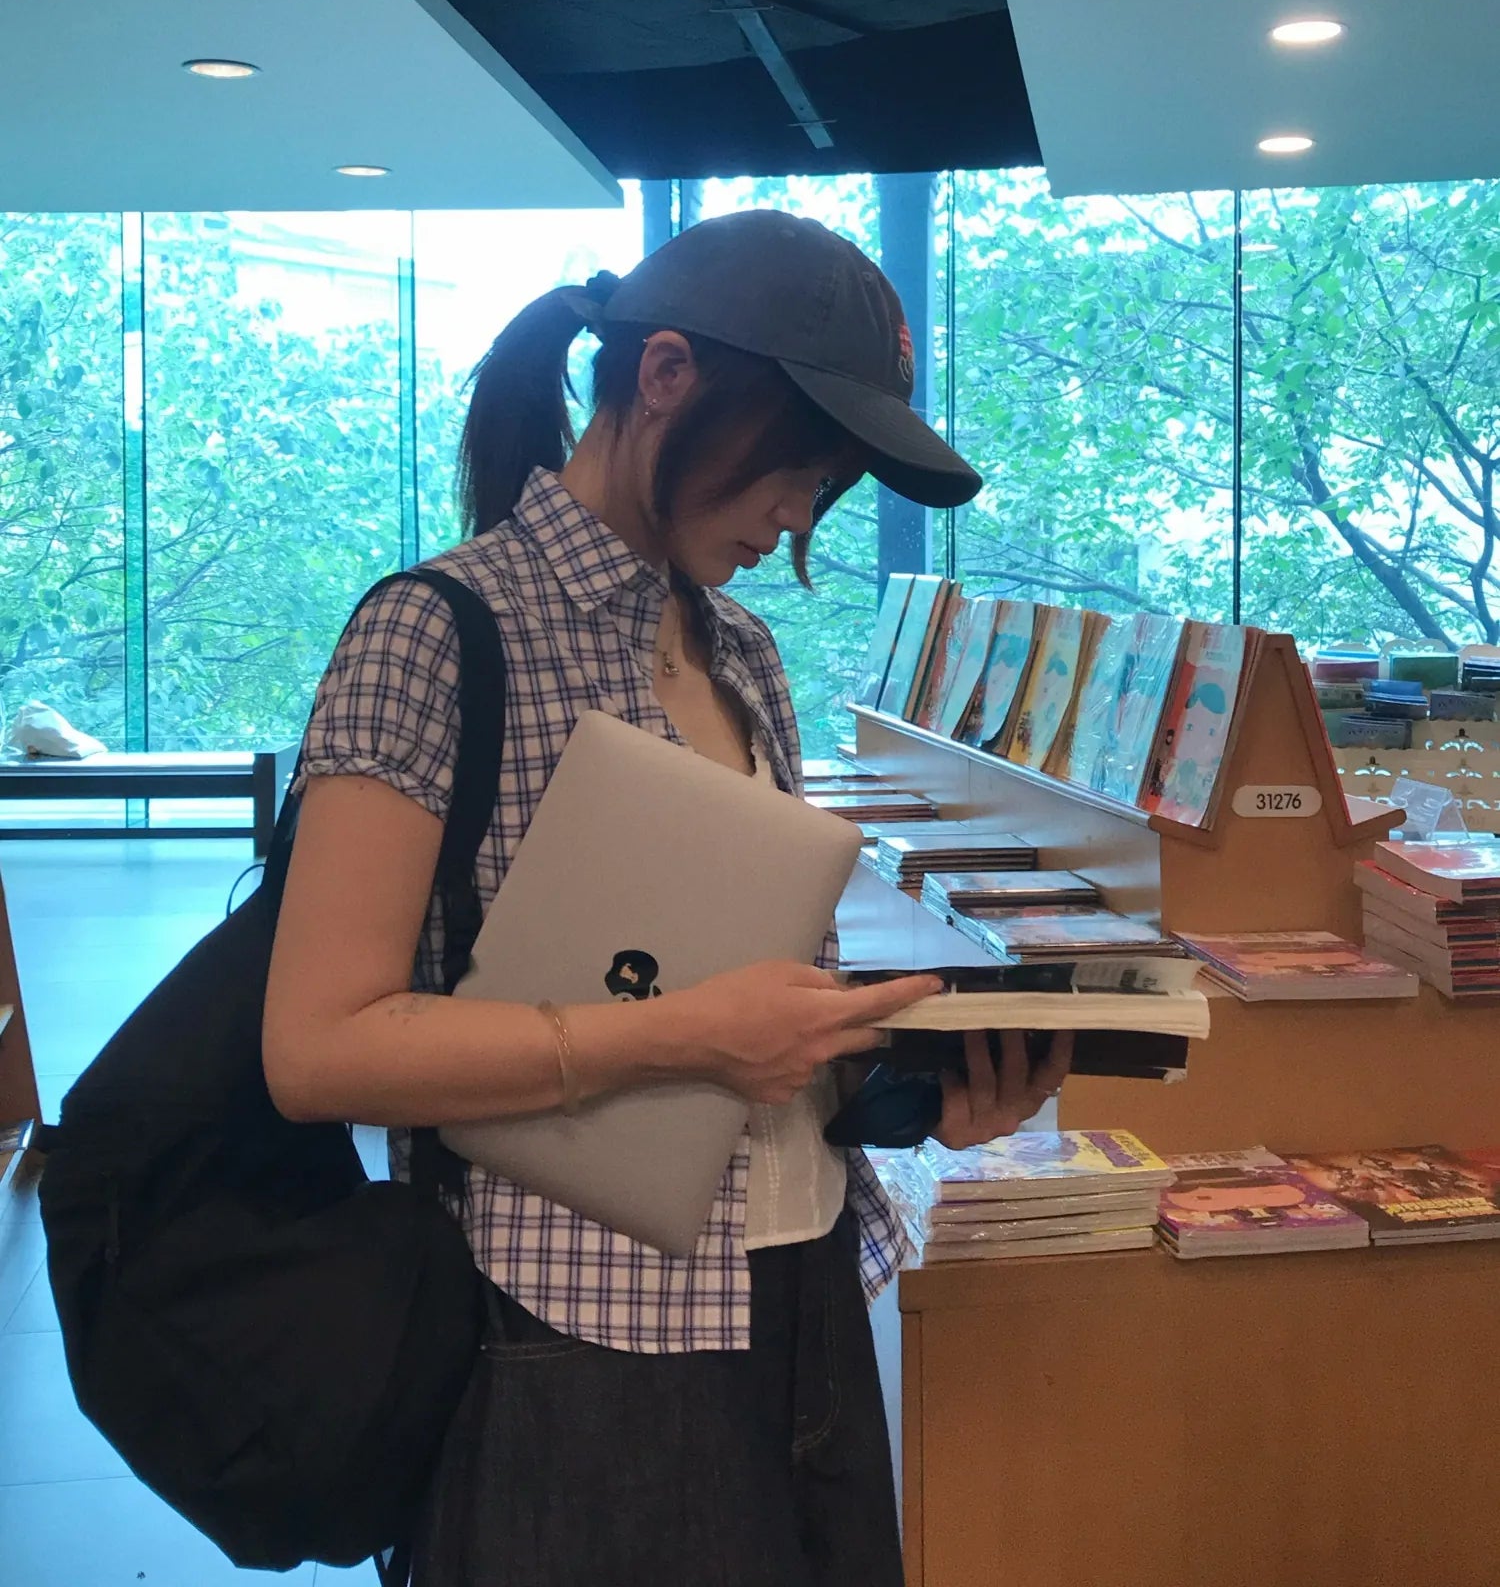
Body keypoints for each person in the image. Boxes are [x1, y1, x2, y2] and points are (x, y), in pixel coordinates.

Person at [262, 210, 1073, 1587]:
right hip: (564, 1337)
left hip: (806, 1293)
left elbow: (753, 1018)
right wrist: (681, 1035)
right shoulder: (436, 632)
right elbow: (318, 1048)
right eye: (797, 468)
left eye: (827, 488)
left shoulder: (743, 651)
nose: (800, 517)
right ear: (666, 376)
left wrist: (920, 1092)